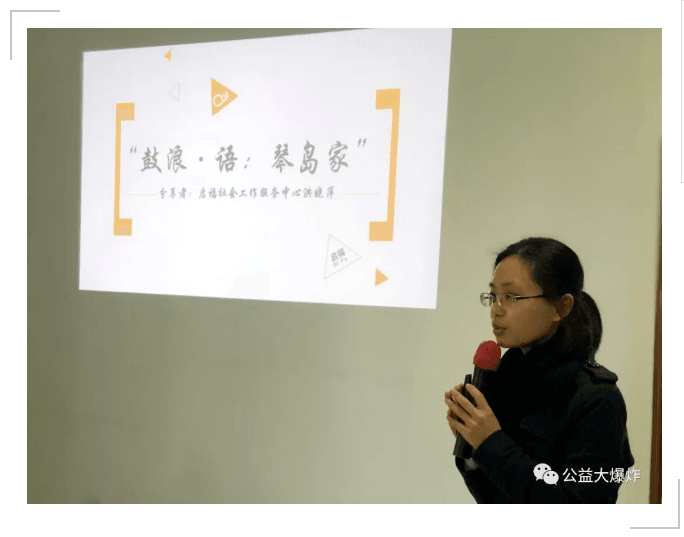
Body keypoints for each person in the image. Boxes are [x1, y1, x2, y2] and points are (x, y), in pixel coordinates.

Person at [444, 237, 635, 503]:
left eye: (511, 297)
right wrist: (474, 448)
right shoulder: (505, 382)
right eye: (494, 296)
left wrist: (491, 443)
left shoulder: (598, 397)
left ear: (561, 306)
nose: (496, 311)